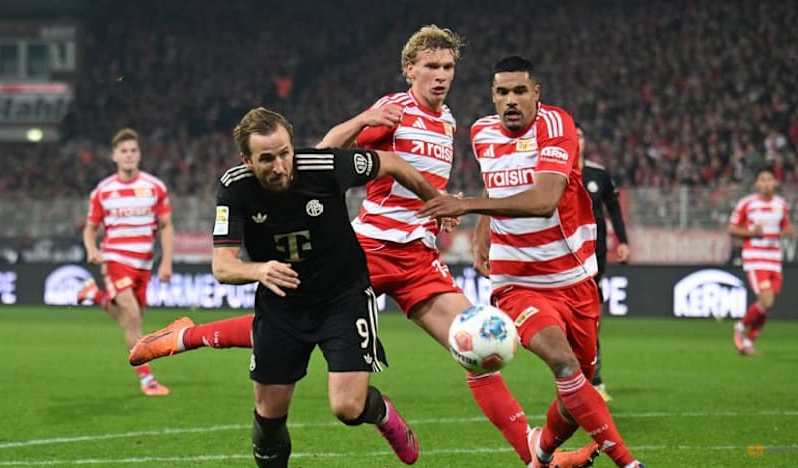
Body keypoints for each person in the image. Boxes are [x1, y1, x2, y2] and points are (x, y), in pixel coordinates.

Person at [131, 26, 538, 466]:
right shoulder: (393, 111)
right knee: (293, 319)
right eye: (431, 67)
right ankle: (188, 336)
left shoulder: (449, 120)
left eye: (448, 67)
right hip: (371, 249)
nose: (440, 76)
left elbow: (415, 177)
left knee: (473, 346)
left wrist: (439, 205)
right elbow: (324, 156)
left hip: (419, 256)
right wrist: (365, 120)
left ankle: (535, 454)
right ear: (409, 70)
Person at [417, 55, 644, 468]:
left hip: (574, 279)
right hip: (517, 281)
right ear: (492, 96)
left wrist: (466, 205)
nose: (511, 100)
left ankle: (540, 455)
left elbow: (542, 202)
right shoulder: (481, 132)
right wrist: (484, 231)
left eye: (520, 90)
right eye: (502, 92)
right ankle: (629, 462)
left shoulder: (557, 126)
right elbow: (495, 182)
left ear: (536, 93)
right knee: (563, 361)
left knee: (574, 397)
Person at [215, 107, 447, 467]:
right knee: (269, 413)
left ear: (293, 147)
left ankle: (382, 413)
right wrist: (259, 270)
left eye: (284, 153)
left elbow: (391, 162)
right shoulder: (235, 187)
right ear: (246, 159)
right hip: (282, 305)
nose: (279, 166)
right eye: (266, 159)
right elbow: (222, 265)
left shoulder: (323, 166)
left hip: (343, 298)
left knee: (347, 408)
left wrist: (435, 201)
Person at [74, 128, 175, 396]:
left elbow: (166, 226)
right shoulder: (104, 191)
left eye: (133, 151)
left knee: (131, 322)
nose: (129, 155)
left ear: (139, 155)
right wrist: (92, 248)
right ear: (114, 156)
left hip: (144, 264)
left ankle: (95, 296)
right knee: (131, 317)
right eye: (123, 151)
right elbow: (89, 228)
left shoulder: (154, 187)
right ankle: (147, 380)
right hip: (116, 260)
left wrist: (166, 262)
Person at [577, 125, 630, 403]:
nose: (576, 140)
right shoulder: (551, 172)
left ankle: (594, 379)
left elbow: (614, 209)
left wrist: (622, 239)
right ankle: (573, 378)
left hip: (593, 258)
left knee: (591, 318)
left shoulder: (598, 174)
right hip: (560, 258)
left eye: (581, 135)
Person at [729, 166, 795, 356]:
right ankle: (740, 328)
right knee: (766, 300)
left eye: (769, 180)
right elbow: (732, 229)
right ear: (757, 184)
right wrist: (751, 233)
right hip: (755, 257)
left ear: (775, 183)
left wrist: (788, 232)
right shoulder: (747, 204)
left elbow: (784, 227)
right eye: (763, 180)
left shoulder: (781, 205)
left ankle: (749, 342)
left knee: (768, 304)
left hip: (774, 258)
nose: (766, 183)